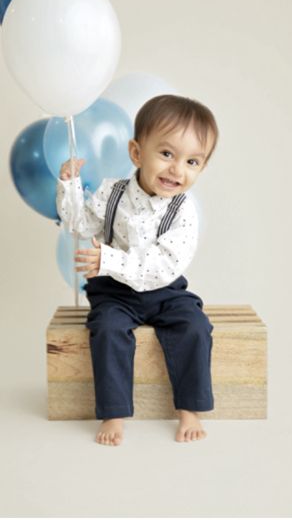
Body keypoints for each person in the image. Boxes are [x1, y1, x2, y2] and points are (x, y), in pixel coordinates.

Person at [57, 94, 218, 446]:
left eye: (192, 161)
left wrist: (108, 259)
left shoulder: (183, 211)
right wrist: (69, 186)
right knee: (108, 329)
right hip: (115, 292)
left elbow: (164, 266)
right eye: (166, 154)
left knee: (194, 327)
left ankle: (189, 409)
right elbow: (78, 224)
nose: (178, 170)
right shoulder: (111, 193)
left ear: (201, 168)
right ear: (136, 153)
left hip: (165, 290)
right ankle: (114, 412)